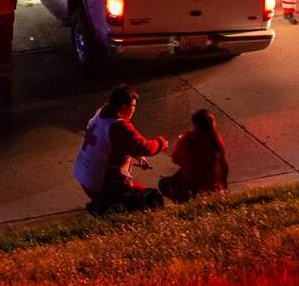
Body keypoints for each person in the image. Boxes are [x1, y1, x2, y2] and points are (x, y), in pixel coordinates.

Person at [73, 85, 168, 215]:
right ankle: (105, 208)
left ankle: (106, 206)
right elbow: (145, 147)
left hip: (84, 173)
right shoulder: (118, 126)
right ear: (124, 107)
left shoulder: (102, 113)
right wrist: (161, 143)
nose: (135, 109)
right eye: (133, 106)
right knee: (149, 202)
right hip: (101, 183)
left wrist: (135, 154)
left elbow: (114, 144)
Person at [158, 109, 229, 203]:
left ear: (195, 124)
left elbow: (175, 159)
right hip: (214, 190)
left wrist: (179, 143)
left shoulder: (187, 140)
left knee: (163, 183)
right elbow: (224, 168)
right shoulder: (217, 141)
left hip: (192, 190)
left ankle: (182, 201)